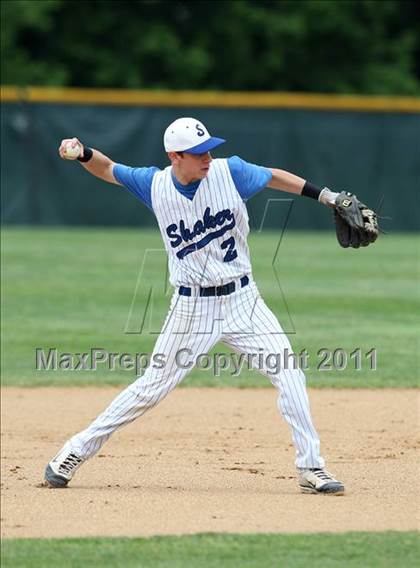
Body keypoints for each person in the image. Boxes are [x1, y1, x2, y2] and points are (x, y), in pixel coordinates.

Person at [45, 117, 345, 495]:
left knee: (290, 375)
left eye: (208, 150)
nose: (207, 157)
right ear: (175, 156)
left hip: (244, 301)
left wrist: (326, 196)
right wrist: (83, 153)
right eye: (198, 153)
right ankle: (72, 452)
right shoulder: (153, 184)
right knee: (150, 389)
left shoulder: (229, 172)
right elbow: (107, 169)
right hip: (192, 309)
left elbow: (272, 175)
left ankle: (311, 467)